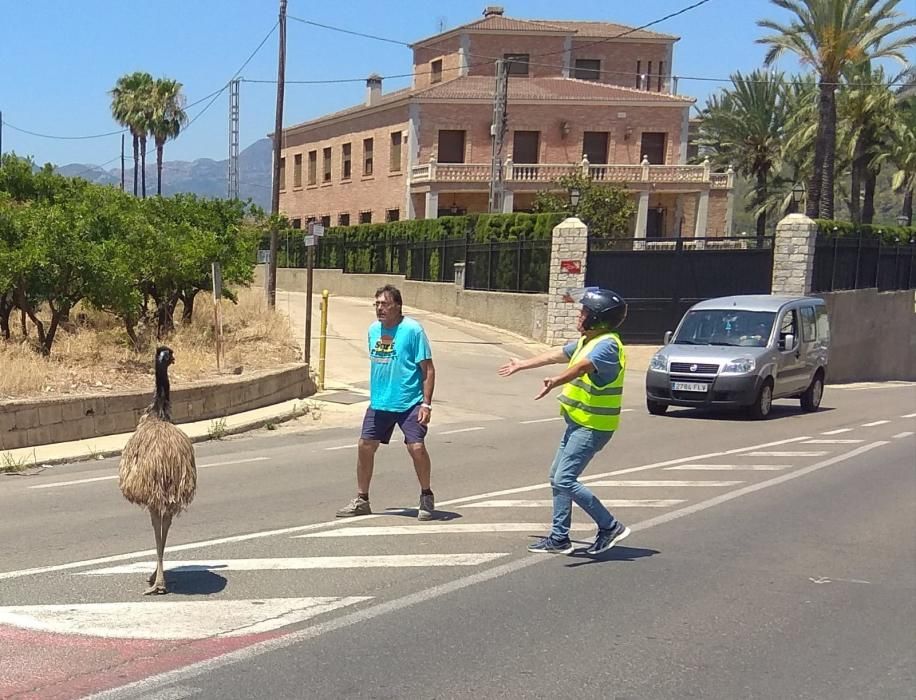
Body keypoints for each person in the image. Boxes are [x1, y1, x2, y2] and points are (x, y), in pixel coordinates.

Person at [498, 287, 631, 555]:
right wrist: (522, 364)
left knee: (565, 479)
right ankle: (560, 538)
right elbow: (558, 354)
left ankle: (610, 526)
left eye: (584, 312)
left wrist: (557, 380)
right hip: (579, 422)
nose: (579, 316)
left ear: (597, 319)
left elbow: (582, 367)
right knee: (557, 477)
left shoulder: (607, 345)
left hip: (594, 426)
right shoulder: (589, 341)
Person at [336, 285, 437, 521]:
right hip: (380, 402)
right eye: (377, 304)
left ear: (397, 306)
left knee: (416, 448)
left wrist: (426, 404)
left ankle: (426, 495)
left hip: (410, 402)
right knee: (365, 446)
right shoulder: (373, 330)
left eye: (384, 304)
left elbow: (428, 370)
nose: (380, 308)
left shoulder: (413, 330)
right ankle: (362, 499)